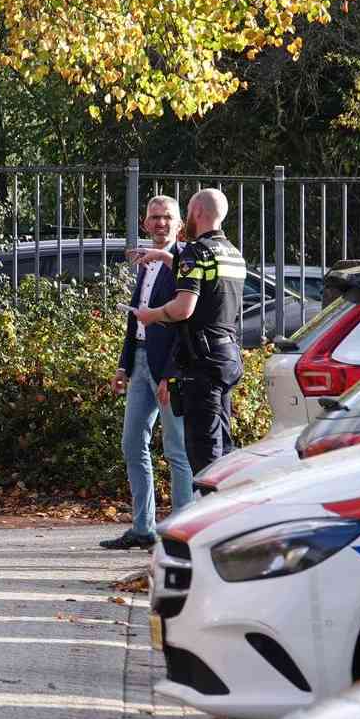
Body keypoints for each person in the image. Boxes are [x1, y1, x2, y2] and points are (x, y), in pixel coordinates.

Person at [129, 188, 246, 476]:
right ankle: (229, 515)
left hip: (201, 361)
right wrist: (164, 257)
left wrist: (151, 315)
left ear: (196, 213)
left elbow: (184, 309)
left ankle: (207, 518)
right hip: (228, 356)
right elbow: (204, 284)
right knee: (224, 446)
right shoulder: (233, 253)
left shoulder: (198, 251)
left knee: (203, 455)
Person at [100, 196, 194, 551]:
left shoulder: (184, 262)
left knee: (177, 450)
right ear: (144, 223)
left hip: (169, 368)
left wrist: (171, 374)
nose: (160, 223)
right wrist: (124, 364)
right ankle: (144, 527)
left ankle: (182, 534)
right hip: (138, 363)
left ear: (179, 224)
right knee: (131, 443)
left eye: (167, 217)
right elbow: (135, 316)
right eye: (154, 217)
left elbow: (185, 324)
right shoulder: (144, 263)